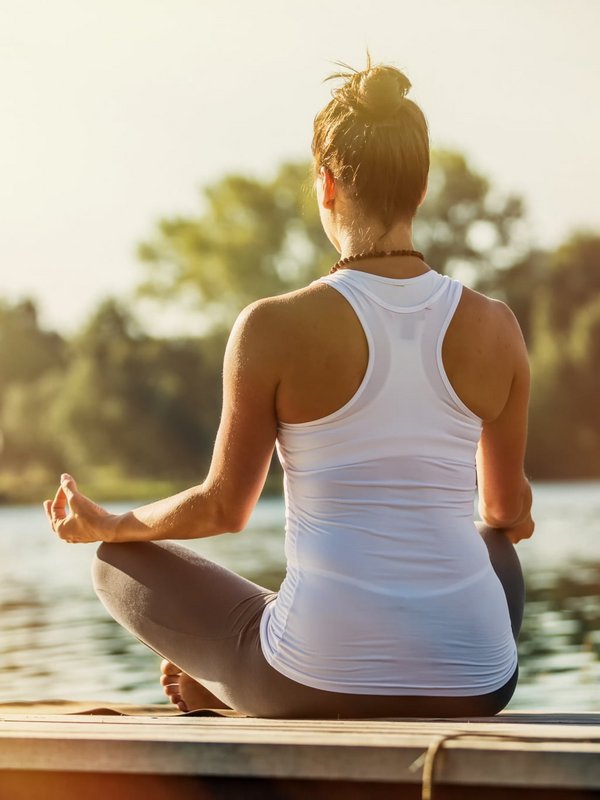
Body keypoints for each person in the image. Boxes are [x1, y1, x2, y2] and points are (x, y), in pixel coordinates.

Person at [43, 54, 534, 719]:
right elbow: (505, 514)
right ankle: (265, 653)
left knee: (115, 563)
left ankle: (229, 675)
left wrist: (114, 523)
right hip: (478, 684)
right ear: (421, 191)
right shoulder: (497, 327)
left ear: (327, 186)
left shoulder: (272, 326)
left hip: (311, 682)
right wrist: (500, 521)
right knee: (493, 546)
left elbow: (223, 509)